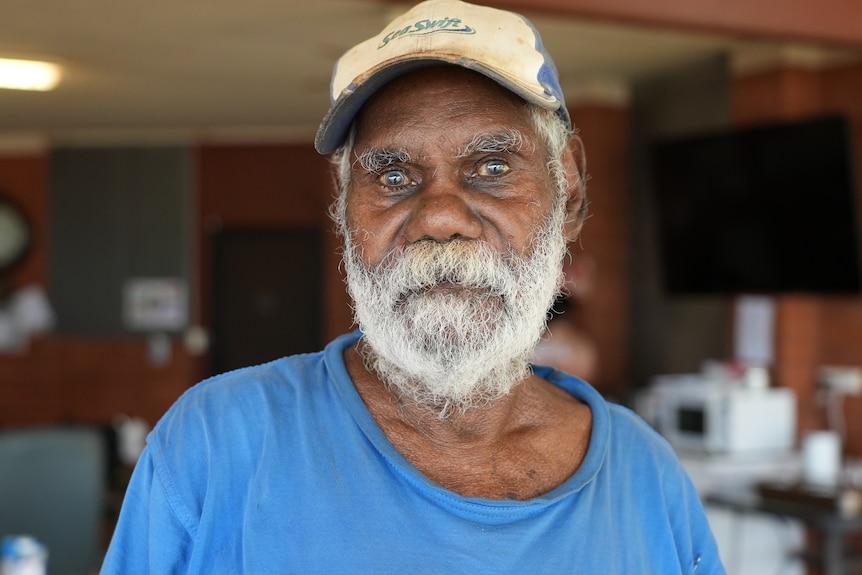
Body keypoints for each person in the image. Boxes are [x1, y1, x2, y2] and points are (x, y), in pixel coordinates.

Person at [101, 1, 725, 573]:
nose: (440, 218)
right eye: (394, 175)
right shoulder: (216, 446)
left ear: (570, 195)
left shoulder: (646, 479)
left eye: (492, 167)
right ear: (345, 212)